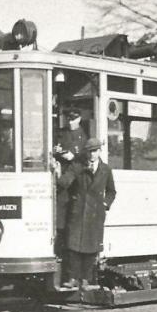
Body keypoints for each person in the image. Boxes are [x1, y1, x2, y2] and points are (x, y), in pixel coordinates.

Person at [58, 138, 116, 289]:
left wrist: (105, 204)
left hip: (95, 214)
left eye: (94, 151)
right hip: (78, 212)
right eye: (89, 151)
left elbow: (111, 191)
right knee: (73, 246)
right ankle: (72, 278)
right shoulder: (77, 166)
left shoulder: (106, 169)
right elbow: (65, 182)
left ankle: (85, 280)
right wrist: (58, 174)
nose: (91, 154)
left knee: (91, 248)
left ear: (99, 151)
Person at [53, 108, 88, 286]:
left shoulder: (83, 136)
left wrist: (72, 156)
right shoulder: (62, 133)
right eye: (68, 118)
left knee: (69, 226)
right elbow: (56, 148)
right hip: (62, 178)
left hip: (71, 183)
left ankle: (71, 272)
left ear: (79, 118)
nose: (70, 121)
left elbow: (82, 160)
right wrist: (57, 151)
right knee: (60, 223)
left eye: (73, 118)